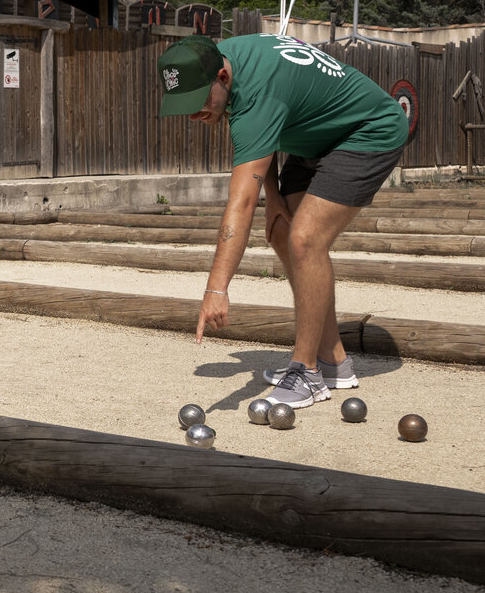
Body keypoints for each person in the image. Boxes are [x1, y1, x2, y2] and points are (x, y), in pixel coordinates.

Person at [157, 33, 407, 410]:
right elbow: (265, 133)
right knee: (283, 232)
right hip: (316, 137)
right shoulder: (225, 58)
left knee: (306, 239)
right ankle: (333, 360)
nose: (194, 115)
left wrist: (216, 288)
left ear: (222, 77)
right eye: (184, 105)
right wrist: (273, 197)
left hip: (367, 131)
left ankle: (305, 371)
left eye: (198, 101)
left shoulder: (257, 91)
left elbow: (240, 203)